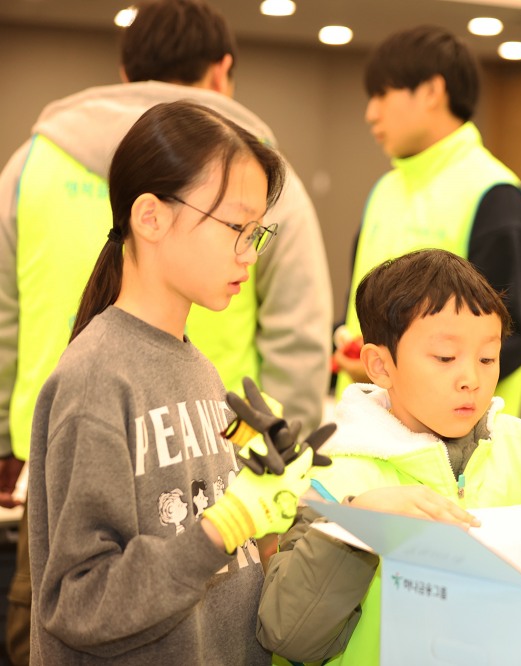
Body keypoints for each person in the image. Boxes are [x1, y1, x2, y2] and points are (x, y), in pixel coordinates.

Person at [0, 1, 332, 660]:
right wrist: (225, 526)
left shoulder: (197, 365)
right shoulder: (97, 381)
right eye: (237, 228)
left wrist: (279, 493)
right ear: (149, 219)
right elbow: (80, 601)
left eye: (256, 233)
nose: (251, 253)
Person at [258, 248, 521, 665]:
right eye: (446, 358)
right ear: (379, 365)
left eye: (487, 357)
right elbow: (289, 636)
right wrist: (355, 527)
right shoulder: (333, 481)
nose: (471, 379)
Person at [333, 25, 521, 418]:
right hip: (373, 430)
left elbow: (517, 336)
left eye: (381, 94)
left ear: (431, 91)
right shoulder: (385, 189)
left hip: (459, 452)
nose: (370, 113)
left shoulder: (494, 193)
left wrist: (398, 371)